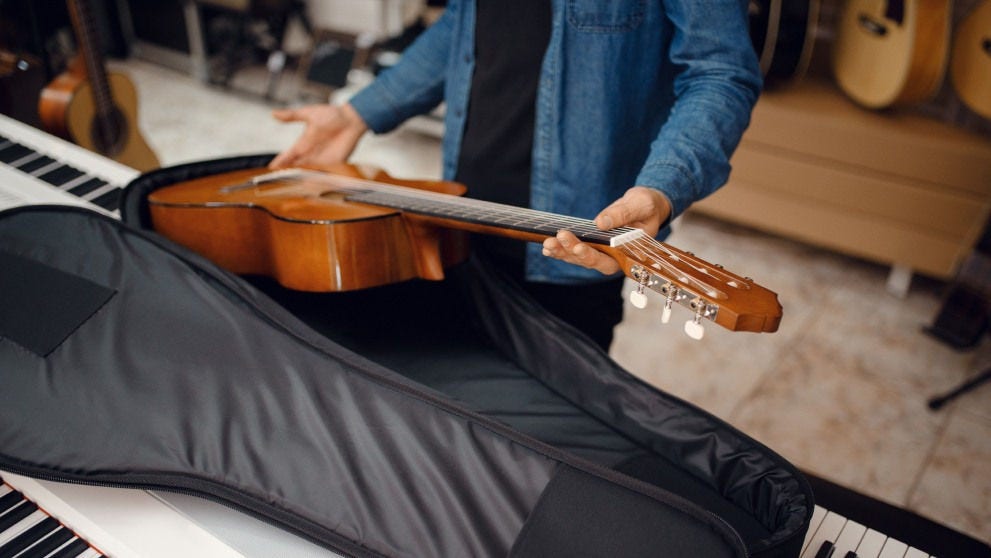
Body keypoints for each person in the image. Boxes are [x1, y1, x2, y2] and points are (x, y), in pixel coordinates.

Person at [270, 0, 762, 350]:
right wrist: (358, 113)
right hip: (460, 220)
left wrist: (661, 189)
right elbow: (464, 22)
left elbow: (720, 73)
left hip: (574, 246)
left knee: (549, 446)